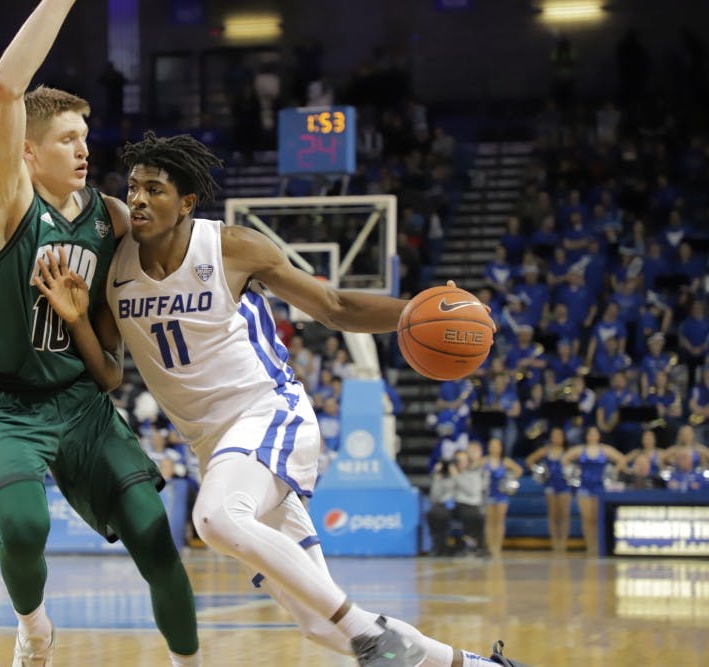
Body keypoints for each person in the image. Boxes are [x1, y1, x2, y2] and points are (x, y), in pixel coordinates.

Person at [33, 132, 531, 667]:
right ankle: (475, 666)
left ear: (186, 203)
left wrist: (415, 311)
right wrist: (78, 320)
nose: (138, 199)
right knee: (318, 623)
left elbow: (334, 306)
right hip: (218, 449)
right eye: (132, 188)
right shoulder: (116, 269)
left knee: (217, 520)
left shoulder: (231, 247)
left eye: (155, 189)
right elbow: (109, 374)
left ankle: (366, 632)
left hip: (270, 414)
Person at [0, 3, 200, 666]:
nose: (85, 149)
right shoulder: (5, 206)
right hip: (3, 403)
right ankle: (34, 626)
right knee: (26, 526)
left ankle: (189, 661)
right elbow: (7, 85)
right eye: (67, 139)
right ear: (27, 152)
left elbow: (184, 245)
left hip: (81, 400)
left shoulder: (111, 218)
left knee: (155, 535)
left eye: (86, 137)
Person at [562, 427, 625, 555]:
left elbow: (622, 460)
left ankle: (599, 545)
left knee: (597, 518)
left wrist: (613, 472)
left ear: (599, 435)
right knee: (587, 517)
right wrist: (572, 472)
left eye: (595, 433)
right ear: (586, 436)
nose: (592, 435)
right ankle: (589, 546)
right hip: (584, 486)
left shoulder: (605, 449)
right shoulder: (580, 450)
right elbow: (564, 459)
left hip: (600, 488)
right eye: (590, 433)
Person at [525, 428, 571, 552]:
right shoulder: (546, 451)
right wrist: (539, 473)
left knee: (564, 514)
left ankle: (564, 542)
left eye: (559, 435)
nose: (557, 438)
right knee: (553, 514)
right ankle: (555, 541)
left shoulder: (568, 452)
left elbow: (577, 465)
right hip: (550, 484)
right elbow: (529, 460)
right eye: (554, 435)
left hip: (564, 485)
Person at [481, 438, 523, 558]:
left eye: (496, 445)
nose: (494, 448)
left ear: (501, 448)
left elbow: (519, 470)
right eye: (492, 445)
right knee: (489, 521)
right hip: (489, 494)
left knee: (499, 521)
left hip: (501, 494)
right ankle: (489, 546)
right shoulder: (485, 461)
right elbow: (473, 467)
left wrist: (509, 480)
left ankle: (497, 547)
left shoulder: (505, 461)